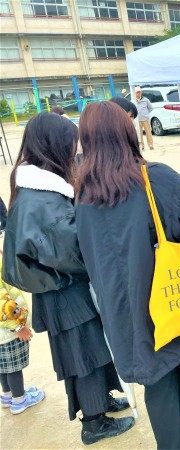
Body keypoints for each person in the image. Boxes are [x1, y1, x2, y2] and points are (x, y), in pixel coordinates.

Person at [74, 101, 180, 449]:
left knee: (155, 374)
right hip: (172, 289)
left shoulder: (83, 194)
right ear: (126, 133)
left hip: (122, 306)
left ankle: (179, 442)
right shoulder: (153, 177)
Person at [1, 112, 134, 445]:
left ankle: (103, 400)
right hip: (64, 294)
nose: (77, 148)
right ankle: (94, 423)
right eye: (71, 142)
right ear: (54, 145)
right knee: (83, 358)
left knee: (94, 351)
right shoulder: (41, 199)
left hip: (60, 290)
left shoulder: (38, 187)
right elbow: (73, 251)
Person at [0, 250, 45, 415]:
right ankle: (19, 400)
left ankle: (8, 395)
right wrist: (18, 327)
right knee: (14, 368)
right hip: (8, 331)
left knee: (3, 367)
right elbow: (3, 304)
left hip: (3, 332)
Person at [133, 86, 154, 150]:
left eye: (139, 92)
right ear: (134, 93)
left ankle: (150, 145)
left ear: (141, 92)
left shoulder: (145, 100)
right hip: (137, 120)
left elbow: (150, 108)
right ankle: (142, 146)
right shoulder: (133, 100)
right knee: (139, 133)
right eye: (137, 92)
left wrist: (146, 114)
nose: (138, 93)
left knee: (148, 132)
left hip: (145, 119)